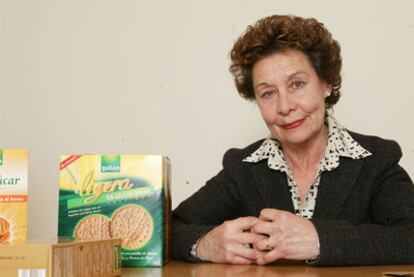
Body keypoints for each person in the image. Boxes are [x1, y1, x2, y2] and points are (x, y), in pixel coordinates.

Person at [172, 14, 414, 266]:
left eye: (297, 84)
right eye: (268, 93)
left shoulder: (375, 160)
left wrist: (319, 240)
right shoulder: (243, 168)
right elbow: (170, 228)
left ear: (326, 83)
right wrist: (205, 244)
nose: (284, 106)